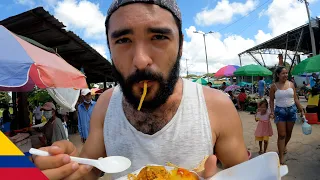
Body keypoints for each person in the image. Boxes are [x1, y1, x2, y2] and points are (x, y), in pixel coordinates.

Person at [32, 1, 248, 179]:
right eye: (123, 40)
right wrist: (67, 167)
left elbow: (244, 174)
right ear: (109, 48)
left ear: (180, 45)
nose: (141, 60)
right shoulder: (106, 105)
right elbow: (92, 168)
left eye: (158, 37)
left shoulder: (216, 106)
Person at [269, 66, 304, 164]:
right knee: (282, 134)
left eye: (286, 73)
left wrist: (301, 109)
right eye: (283, 73)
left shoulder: (291, 84)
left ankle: (284, 146)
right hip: (280, 112)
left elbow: (296, 98)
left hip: (292, 110)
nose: (285, 75)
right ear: (278, 75)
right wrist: (272, 111)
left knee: (288, 133)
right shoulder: (273, 86)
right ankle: (281, 156)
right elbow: (271, 100)